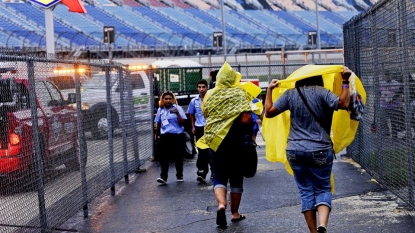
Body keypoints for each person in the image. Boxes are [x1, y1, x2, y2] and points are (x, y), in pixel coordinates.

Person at [264, 67, 352, 233]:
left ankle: (313, 231)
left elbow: (268, 112)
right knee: (323, 188)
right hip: (320, 149)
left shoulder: (290, 94)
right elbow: (344, 103)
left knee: (305, 191)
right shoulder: (323, 93)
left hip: (295, 150)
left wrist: (269, 90)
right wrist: (345, 81)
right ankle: (322, 225)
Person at [197, 62, 258, 227]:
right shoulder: (240, 93)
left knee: (219, 175)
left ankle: (221, 205)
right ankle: (235, 213)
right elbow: (246, 118)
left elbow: (205, 112)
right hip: (236, 142)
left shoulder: (210, 94)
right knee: (236, 178)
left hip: (215, 142)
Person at [154, 91, 187, 184]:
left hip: (177, 135)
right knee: (164, 157)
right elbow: (159, 124)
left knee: (178, 156)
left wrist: (177, 114)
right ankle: (163, 176)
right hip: (165, 136)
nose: (168, 100)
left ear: (173, 99)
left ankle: (179, 175)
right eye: (166, 99)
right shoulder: (160, 110)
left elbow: (182, 122)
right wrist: (156, 136)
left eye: (170, 99)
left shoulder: (177, 108)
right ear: (163, 100)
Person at [187, 79, 212, 184]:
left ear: (207, 88)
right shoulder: (194, 101)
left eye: (203, 87)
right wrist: (193, 126)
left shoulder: (211, 99)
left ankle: (214, 170)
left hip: (210, 128)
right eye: (200, 87)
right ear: (197, 88)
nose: (201, 89)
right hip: (199, 127)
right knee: (201, 150)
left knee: (211, 150)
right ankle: (202, 172)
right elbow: (191, 114)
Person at [380, 70, 402, 138]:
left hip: (394, 105)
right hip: (384, 105)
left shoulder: (396, 83)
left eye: (389, 75)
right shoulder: (381, 83)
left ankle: (394, 134)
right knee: (383, 120)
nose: (387, 76)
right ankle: (386, 133)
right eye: (386, 75)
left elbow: (400, 94)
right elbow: (379, 93)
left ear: (391, 75)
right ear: (384, 76)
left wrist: (399, 103)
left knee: (394, 121)